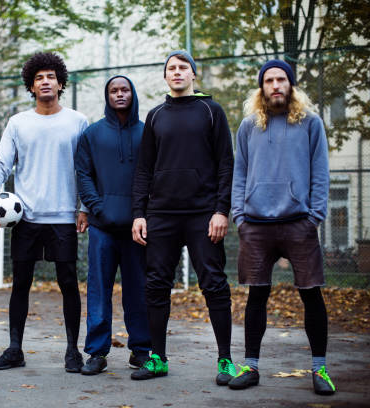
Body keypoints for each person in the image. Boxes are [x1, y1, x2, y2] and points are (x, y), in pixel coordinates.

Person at [228, 60, 334, 395]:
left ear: (291, 85)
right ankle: (251, 366)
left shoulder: (310, 123)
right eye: (269, 80)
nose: (275, 85)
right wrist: (239, 217)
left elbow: (321, 172)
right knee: (256, 296)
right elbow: (240, 173)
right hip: (256, 226)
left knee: (311, 295)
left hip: (298, 224)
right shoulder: (248, 126)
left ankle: (320, 370)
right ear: (262, 87)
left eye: (281, 79)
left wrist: (314, 216)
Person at [0, 52, 89, 373]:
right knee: (21, 284)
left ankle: (72, 351)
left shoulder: (78, 121)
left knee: (68, 283)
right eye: (38, 77)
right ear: (31, 85)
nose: (45, 82)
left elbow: (86, 169)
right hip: (25, 218)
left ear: (60, 82)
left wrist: (84, 207)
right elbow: (2, 164)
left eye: (50, 76)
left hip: (64, 219)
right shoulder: (18, 123)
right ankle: (15, 349)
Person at [131, 50, 236, 383]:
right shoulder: (156, 115)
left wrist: (222, 209)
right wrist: (139, 213)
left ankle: (225, 360)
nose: (177, 72)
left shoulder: (211, 111)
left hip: (203, 214)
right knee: (157, 285)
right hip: (161, 214)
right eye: (171, 68)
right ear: (165, 77)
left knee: (214, 284)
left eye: (182, 68)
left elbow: (226, 164)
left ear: (194, 74)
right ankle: (158, 358)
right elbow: (144, 169)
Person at [75, 75, 151, 375]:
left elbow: (153, 178)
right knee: (98, 290)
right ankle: (96, 353)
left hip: (136, 228)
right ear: (107, 96)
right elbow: (83, 174)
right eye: (113, 90)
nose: (119, 94)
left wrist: (142, 214)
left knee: (138, 290)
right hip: (102, 226)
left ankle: (141, 350)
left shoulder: (148, 133)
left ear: (133, 94)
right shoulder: (92, 134)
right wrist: (97, 208)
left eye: (125, 90)